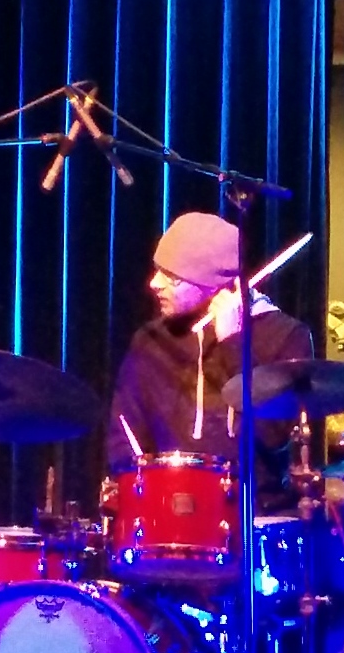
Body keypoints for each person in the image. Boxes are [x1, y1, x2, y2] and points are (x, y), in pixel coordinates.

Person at [107, 210, 315, 508]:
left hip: (255, 513)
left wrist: (233, 344)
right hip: (166, 511)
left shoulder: (285, 336)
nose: (154, 283)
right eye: (158, 269)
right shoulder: (150, 341)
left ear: (214, 285)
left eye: (172, 277)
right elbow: (123, 433)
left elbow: (273, 436)